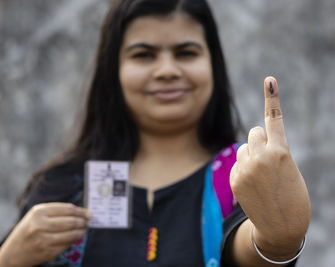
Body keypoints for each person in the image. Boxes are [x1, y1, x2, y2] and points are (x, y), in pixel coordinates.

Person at [0, 0, 311, 266]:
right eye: (143, 55)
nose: (166, 70)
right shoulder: (69, 185)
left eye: (186, 53)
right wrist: (10, 257)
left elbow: (246, 245)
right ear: (114, 71)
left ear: (212, 65)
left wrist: (277, 240)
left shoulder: (242, 173)